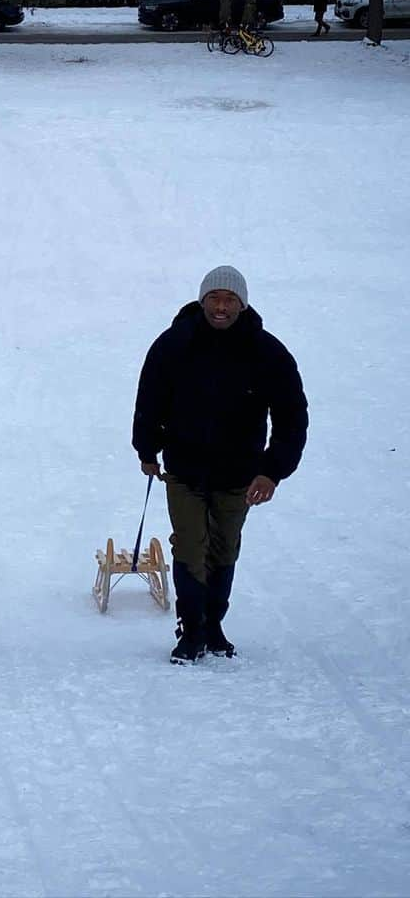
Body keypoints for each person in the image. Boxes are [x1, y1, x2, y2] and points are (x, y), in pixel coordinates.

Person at [132, 266, 308, 664]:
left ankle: (213, 626)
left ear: (242, 305)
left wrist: (272, 470)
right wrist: (147, 450)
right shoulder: (174, 344)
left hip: (239, 473)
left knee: (224, 547)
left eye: (230, 300)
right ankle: (190, 631)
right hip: (185, 470)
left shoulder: (267, 353)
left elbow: (292, 415)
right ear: (202, 301)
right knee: (191, 545)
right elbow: (149, 400)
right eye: (215, 299)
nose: (222, 307)